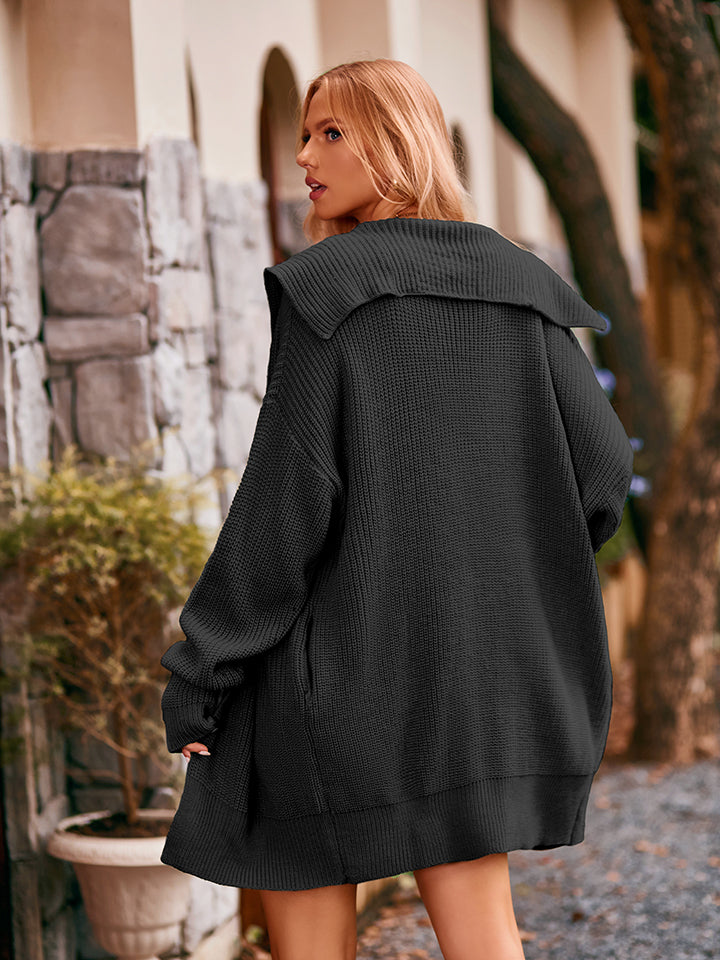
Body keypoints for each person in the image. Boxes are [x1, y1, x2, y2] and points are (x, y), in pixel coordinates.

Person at [159, 58, 634, 960]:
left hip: (348, 680)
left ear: (396, 141)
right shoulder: (518, 278)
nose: (306, 155)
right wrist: (512, 555)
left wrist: (202, 671)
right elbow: (604, 468)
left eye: (332, 132)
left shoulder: (328, 286)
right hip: (482, 680)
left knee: (296, 878)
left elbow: (284, 507)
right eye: (305, 134)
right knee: (485, 937)